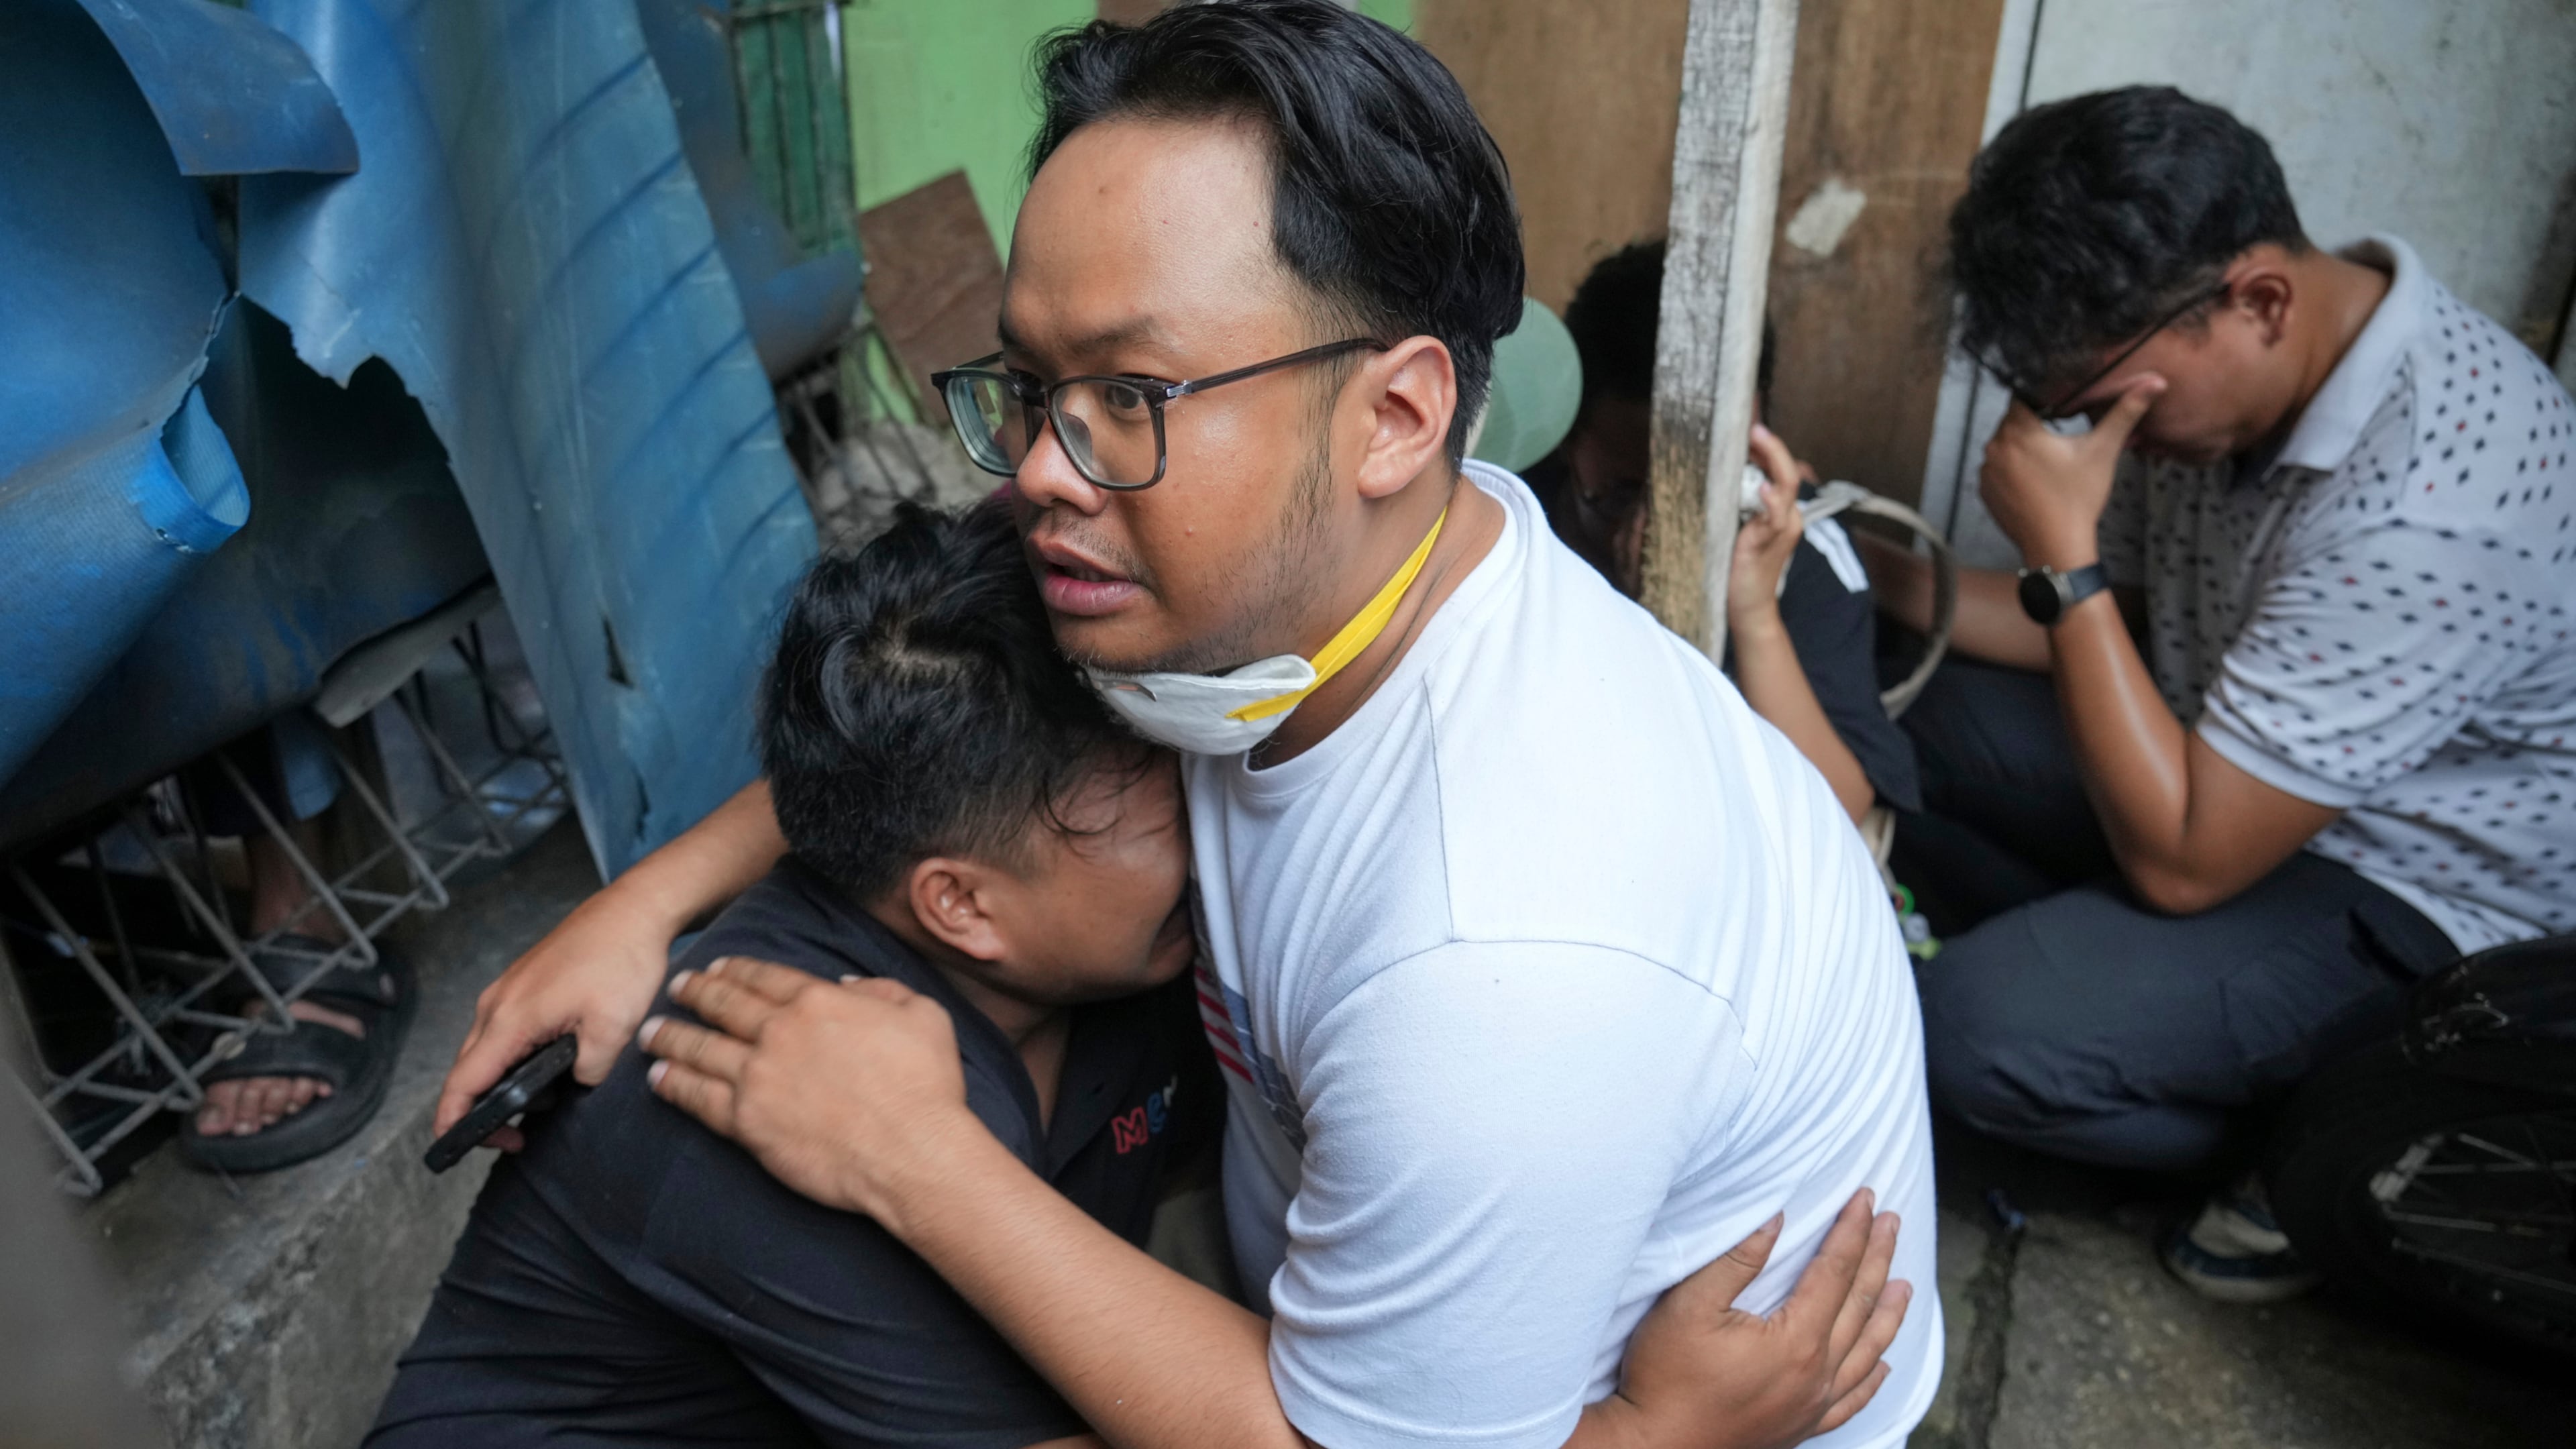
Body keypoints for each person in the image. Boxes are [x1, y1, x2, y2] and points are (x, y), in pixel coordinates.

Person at [448, 5, 1938, 1447]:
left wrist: (913, 1158)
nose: (1038, 468)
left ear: (1398, 419)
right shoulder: (1310, 560)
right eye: (1033, 391)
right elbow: (926, 718)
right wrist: (644, 899)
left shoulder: (1501, 966)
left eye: (1128, 392)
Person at [381, 502, 1899, 1448]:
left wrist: (643, 886)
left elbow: (910, 736)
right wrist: (1650, 1441)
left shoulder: (1095, 923)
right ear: (961, 903)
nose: (1226, 802)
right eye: (1153, 793)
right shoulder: (785, 1093)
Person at [1860, 86, 2576, 1301]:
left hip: (2418, 889)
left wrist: (2063, 556)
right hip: (2237, 767)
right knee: (1902, 706)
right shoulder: (2222, 373)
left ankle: (2322, 1152)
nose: (2094, 431)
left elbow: (2186, 862)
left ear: (2260, 300)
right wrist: (1855, 564)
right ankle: (2136, 998)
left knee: (1965, 1033)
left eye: (2103, 395)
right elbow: (2131, 620)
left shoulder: (2436, 502)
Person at [1527, 241, 1919, 825]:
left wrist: (1754, 615)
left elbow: (1842, 807)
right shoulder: (1517, 507)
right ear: (1567, 437)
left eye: (1704, 496)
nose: (1655, 529)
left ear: (1758, 441)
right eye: (1625, 493)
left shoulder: (1801, 553)